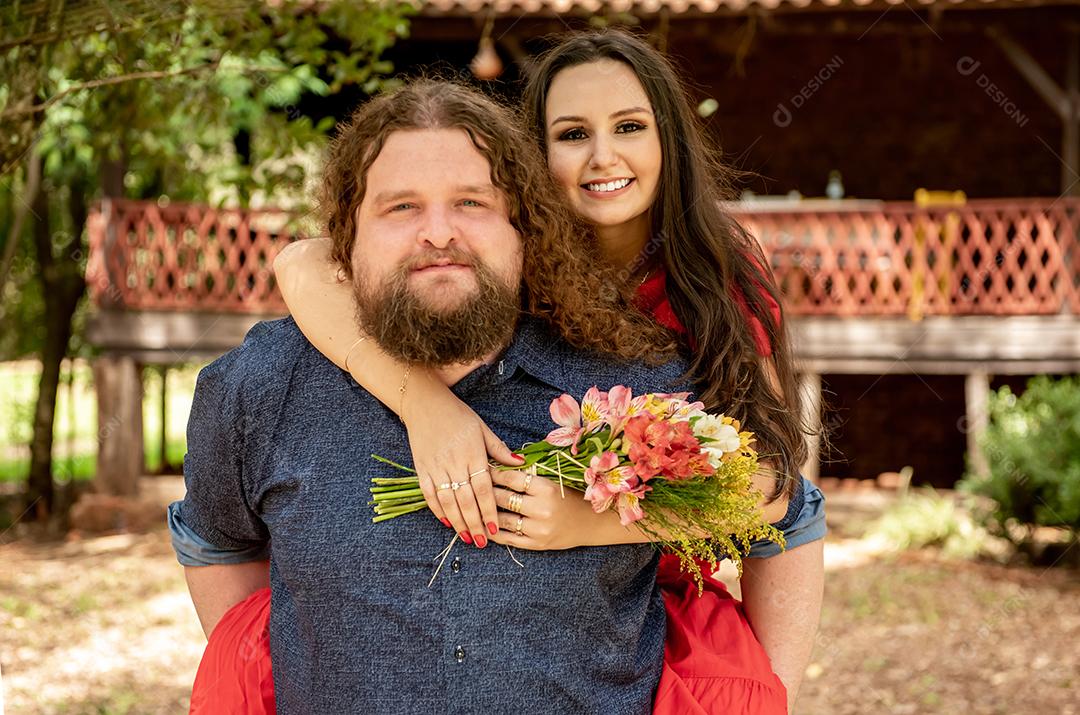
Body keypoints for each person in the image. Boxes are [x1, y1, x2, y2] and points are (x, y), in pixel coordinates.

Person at [275, 30, 827, 713]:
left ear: (669, 140)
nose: (604, 156)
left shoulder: (713, 272)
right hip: (540, 607)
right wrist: (426, 408)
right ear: (533, 154)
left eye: (629, 126)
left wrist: (588, 521)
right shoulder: (506, 251)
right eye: (572, 134)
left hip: (661, 562)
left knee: (799, 523)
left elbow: (772, 480)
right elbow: (301, 263)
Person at [171, 77, 711, 713]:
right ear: (345, 241)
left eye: (471, 204)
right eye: (401, 207)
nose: (437, 233)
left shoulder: (637, 385)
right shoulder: (257, 390)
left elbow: (774, 510)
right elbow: (215, 542)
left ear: (524, 229)